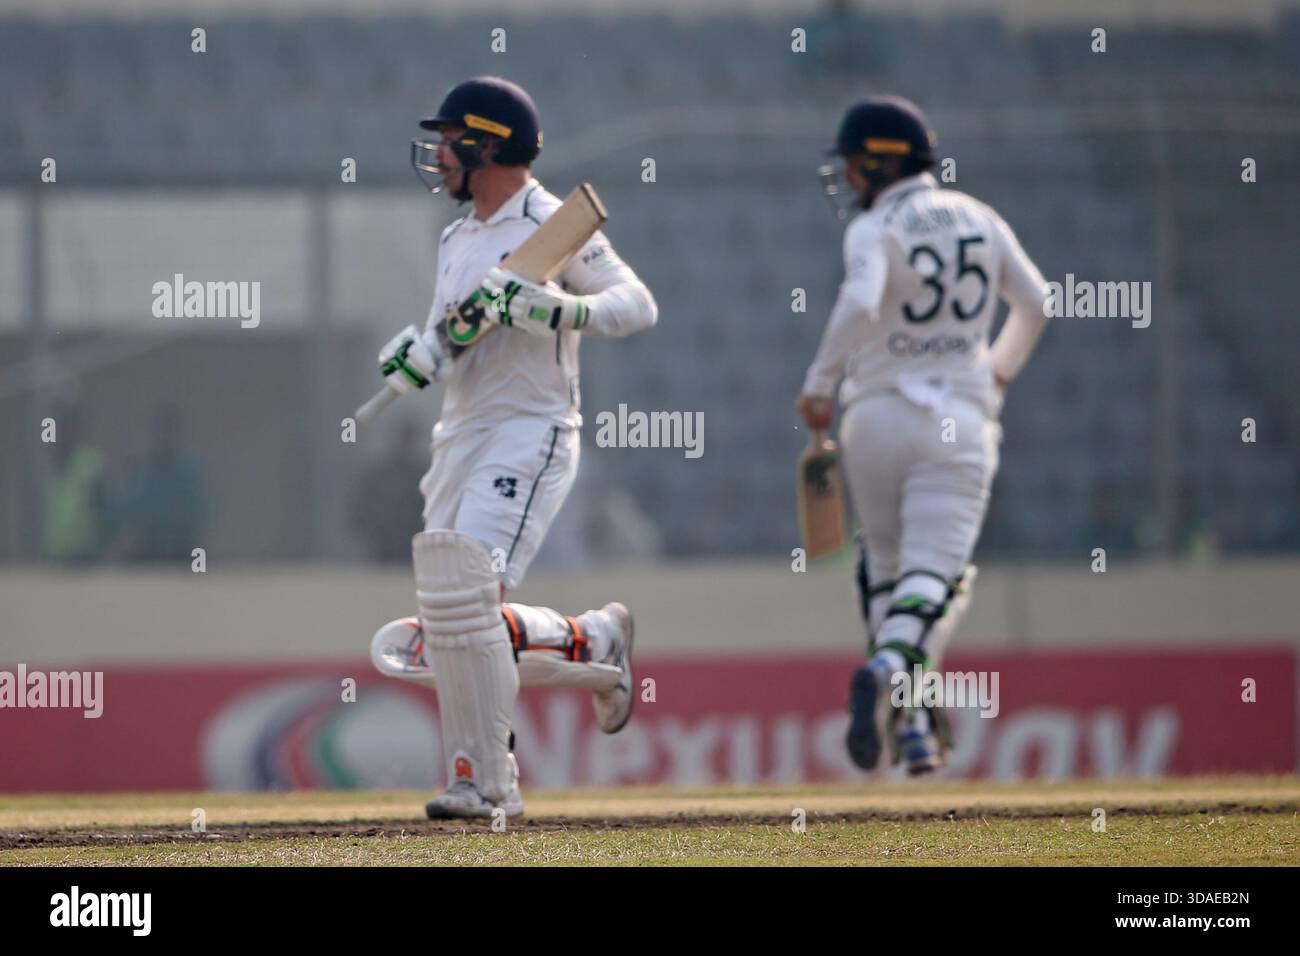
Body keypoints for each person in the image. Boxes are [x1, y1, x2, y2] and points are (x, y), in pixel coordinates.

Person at [368, 77, 658, 819]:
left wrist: (556, 306)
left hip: (531, 430)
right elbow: (453, 336)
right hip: (461, 433)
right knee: (451, 619)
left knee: (469, 598)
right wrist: (418, 355)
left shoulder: (552, 223)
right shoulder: (457, 236)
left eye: (447, 140)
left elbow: (636, 305)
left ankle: (485, 782)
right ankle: (593, 644)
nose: (436, 154)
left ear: (484, 144)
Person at [797, 96, 1050, 774]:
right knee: (936, 579)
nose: (848, 181)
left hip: (873, 414)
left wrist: (820, 385)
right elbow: (1037, 302)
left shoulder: (877, 226)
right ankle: (888, 671)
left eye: (854, 167)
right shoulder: (981, 217)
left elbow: (857, 302)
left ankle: (910, 721)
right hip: (957, 421)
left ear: (881, 163)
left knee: (885, 570)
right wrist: (996, 372)